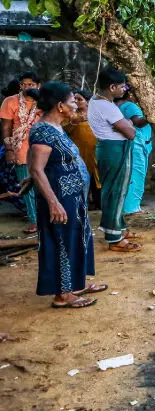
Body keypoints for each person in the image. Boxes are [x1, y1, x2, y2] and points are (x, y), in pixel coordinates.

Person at [27, 81, 107, 308]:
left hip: (72, 196)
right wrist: (53, 202)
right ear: (60, 105)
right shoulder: (43, 131)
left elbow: (38, 166)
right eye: (73, 101)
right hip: (59, 198)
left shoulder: (56, 127)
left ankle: (76, 284)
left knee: (75, 238)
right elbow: (36, 168)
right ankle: (63, 295)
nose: (77, 105)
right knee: (61, 241)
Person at [88, 67, 141, 252]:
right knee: (116, 192)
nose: (124, 89)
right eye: (122, 86)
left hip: (108, 148)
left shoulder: (95, 101)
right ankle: (114, 238)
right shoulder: (107, 106)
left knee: (113, 191)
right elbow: (130, 133)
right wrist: (129, 124)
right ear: (111, 87)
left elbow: (125, 126)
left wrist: (126, 123)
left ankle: (118, 228)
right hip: (115, 149)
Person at [0, 72, 41, 233]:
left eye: (31, 84)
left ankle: (48, 218)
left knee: (46, 185)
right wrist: (9, 149)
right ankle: (34, 220)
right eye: (24, 84)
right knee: (27, 186)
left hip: (43, 147)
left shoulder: (45, 101)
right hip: (21, 149)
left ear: (38, 86)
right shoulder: (10, 101)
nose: (27, 87)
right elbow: (5, 127)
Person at [116, 89, 151, 214]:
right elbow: (138, 122)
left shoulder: (116, 107)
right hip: (136, 145)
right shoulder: (130, 106)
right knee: (136, 174)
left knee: (128, 176)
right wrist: (151, 116)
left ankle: (127, 207)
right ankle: (132, 208)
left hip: (126, 144)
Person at [65, 89, 101, 209]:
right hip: (78, 153)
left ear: (88, 102)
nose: (76, 101)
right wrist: (74, 122)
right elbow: (64, 131)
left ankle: (98, 202)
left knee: (97, 177)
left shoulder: (95, 114)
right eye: (74, 99)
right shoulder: (70, 115)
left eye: (79, 99)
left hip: (95, 152)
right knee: (80, 175)